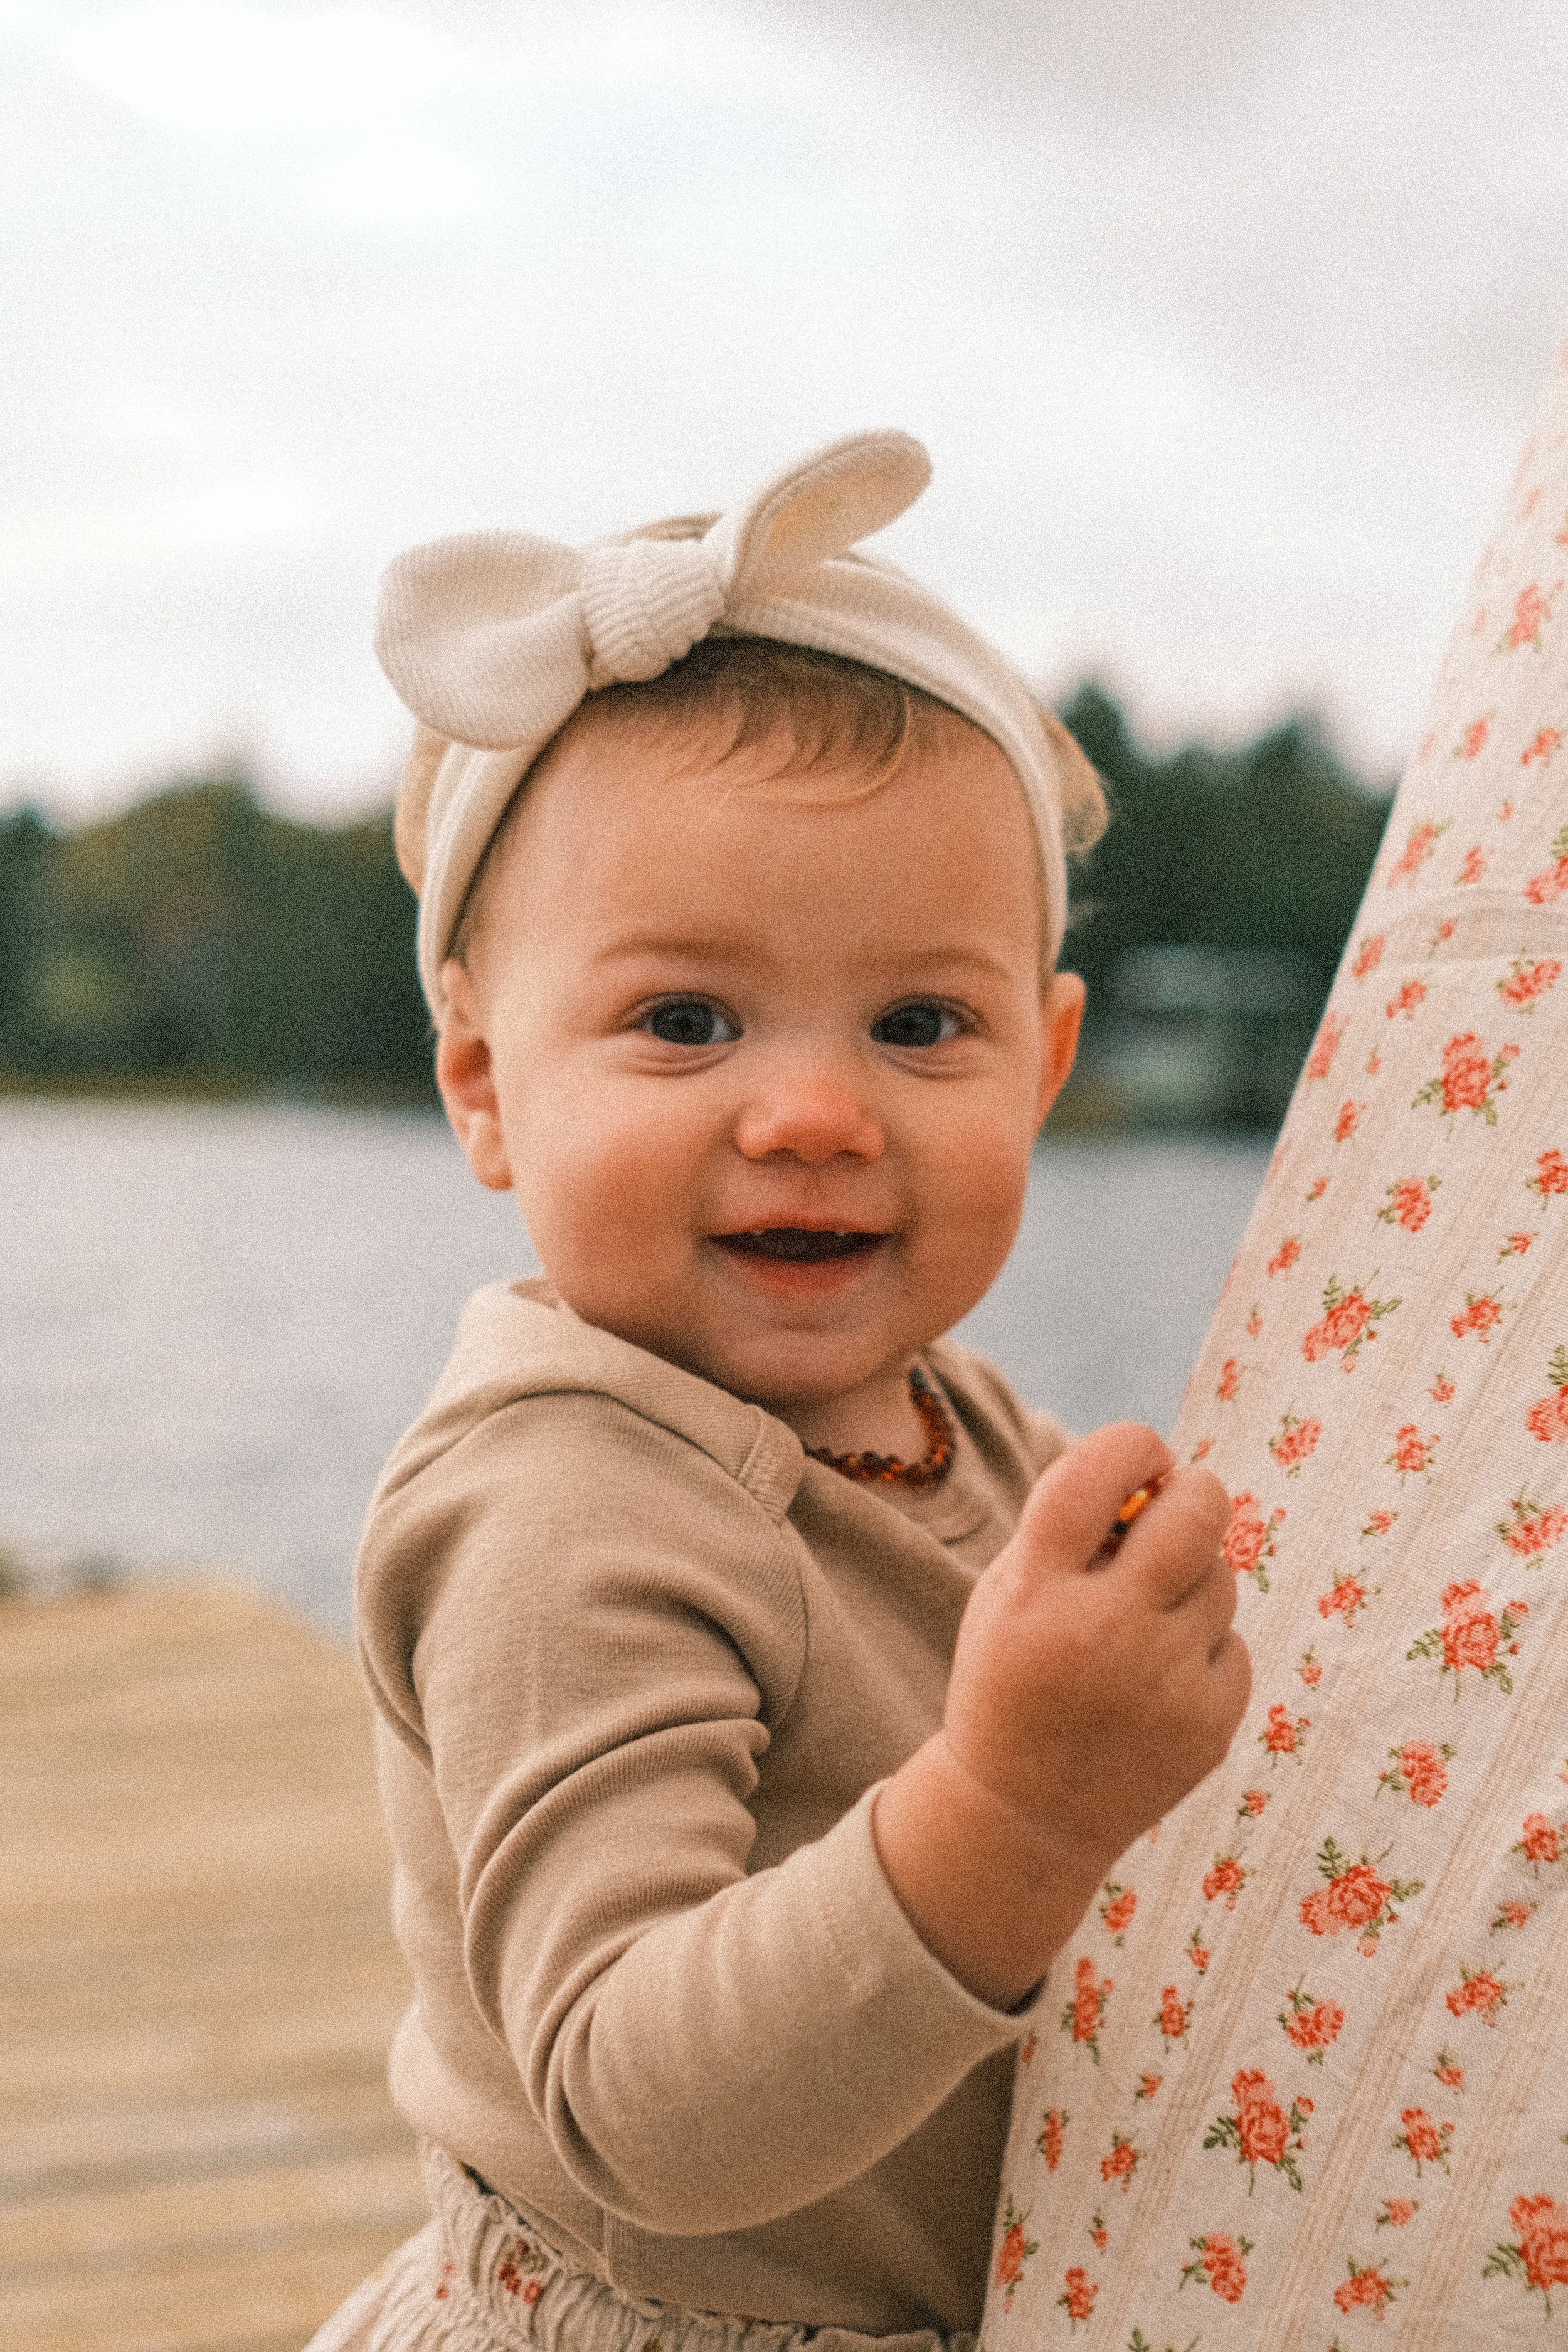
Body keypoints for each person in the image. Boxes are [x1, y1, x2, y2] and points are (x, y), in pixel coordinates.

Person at [307, 431, 1249, 2352]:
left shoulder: (963, 1427)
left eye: (920, 1025)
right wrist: (1011, 1805)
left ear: (1043, 1064)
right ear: (485, 1082)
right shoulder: (562, 1505)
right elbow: (635, 2108)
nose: (814, 1114)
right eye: (685, 1022)